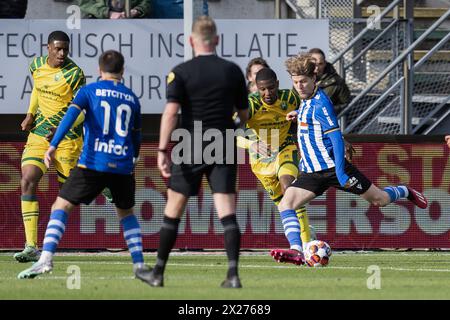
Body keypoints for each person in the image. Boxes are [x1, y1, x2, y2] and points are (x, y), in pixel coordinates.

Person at [273, 54, 428, 264]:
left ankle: (405, 190)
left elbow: (336, 139)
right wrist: (299, 114)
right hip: (312, 172)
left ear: (314, 80)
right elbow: (311, 116)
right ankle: (296, 250)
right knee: (286, 204)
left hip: (333, 169)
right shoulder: (307, 102)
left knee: (379, 200)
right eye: (295, 82)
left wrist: (340, 172)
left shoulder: (321, 104)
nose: (299, 86)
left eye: (303, 81)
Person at [17, 50, 153, 285]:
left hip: (93, 161)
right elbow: (136, 136)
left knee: (61, 204)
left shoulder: (89, 91)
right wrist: (134, 160)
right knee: (127, 213)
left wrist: (53, 145)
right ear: (122, 71)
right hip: (121, 164)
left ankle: (45, 258)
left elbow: (70, 117)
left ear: (100, 70)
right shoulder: (132, 98)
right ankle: (140, 265)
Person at [146, 16, 248, 288]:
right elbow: (244, 113)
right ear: (217, 40)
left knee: (174, 210)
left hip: (190, 144)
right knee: (227, 212)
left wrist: (161, 149)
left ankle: (158, 273)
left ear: (191, 41)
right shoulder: (233, 71)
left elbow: (170, 113)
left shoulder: (181, 71)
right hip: (224, 143)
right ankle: (233, 274)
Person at [15, 31, 86, 263]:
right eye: (58, 49)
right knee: (28, 178)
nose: (62, 53)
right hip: (40, 136)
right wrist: (30, 113)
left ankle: (102, 182)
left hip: (67, 141)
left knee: (71, 195)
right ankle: (31, 246)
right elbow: (37, 88)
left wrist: (62, 129)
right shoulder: (36, 65)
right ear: (48, 48)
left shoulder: (75, 74)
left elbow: (83, 111)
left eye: (65, 49)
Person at [236, 68, 313, 265]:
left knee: (290, 190)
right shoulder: (250, 104)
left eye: (271, 88)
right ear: (256, 88)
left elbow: (315, 112)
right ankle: (301, 243)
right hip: (261, 162)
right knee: (284, 205)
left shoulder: (291, 98)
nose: (267, 93)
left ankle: (303, 247)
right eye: (262, 89)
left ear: (278, 84)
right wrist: (251, 143)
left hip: (286, 149)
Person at [308, 48, 351, 115]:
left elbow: (347, 105)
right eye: (313, 64)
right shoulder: (300, 80)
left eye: (320, 64)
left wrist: (328, 110)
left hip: (325, 122)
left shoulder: (337, 82)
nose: (317, 68)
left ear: (325, 63)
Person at [78, 0, 150, 19]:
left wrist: (136, 11)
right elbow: (85, 3)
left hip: (132, 25)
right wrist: (108, 13)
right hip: (99, 24)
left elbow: (146, 2)